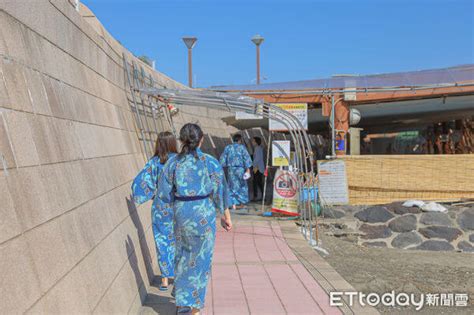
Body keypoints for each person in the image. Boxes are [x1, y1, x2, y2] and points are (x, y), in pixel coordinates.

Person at [157, 123, 232, 315]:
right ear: (201, 139)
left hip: (181, 212)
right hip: (204, 214)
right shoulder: (210, 162)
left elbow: (164, 195)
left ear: (181, 140)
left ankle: (182, 304)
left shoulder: (172, 163)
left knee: (182, 258)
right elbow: (220, 191)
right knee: (201, 261)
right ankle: (195, 308)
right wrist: (225, 216)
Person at [131, 131, 178, 291]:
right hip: (178, 206)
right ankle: (178, 278)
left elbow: (141, 182)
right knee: (179, 241)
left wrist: (150, 194)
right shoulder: (179, 161)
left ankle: (164, 280)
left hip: (160, 208)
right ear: (173, 143)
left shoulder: (154, 162)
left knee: (162, 241)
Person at [219, 134, 252, 209]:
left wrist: (222, 167)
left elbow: (222, 159)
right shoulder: (242, 148)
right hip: (240, 169)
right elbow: (246, 159)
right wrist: (248, 170)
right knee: (242, 186)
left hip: (231, 170)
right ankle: (241, 203)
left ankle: (233, 204)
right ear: (240, 140)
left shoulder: (228, 147)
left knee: (231, 186)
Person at [251, 137, 265, 201]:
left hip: (257, 168)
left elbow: (257, 159)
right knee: (259, 183)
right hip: (258, 167)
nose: (252, 142)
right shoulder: (259, 148)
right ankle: (262, 196)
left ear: (256, 142)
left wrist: (252, 165)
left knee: (255, 183)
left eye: (253, 141)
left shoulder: (257, 148)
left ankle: (255, 197)